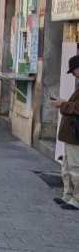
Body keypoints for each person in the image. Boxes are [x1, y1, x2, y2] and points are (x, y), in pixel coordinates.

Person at [51, 55, 79, 210]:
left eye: (74, 71)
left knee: (75, 167)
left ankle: (77, 199)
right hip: (71, 134)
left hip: (76, 134)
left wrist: (63, 104)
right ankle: (68, 195)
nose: (73, 74)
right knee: (67, 166)